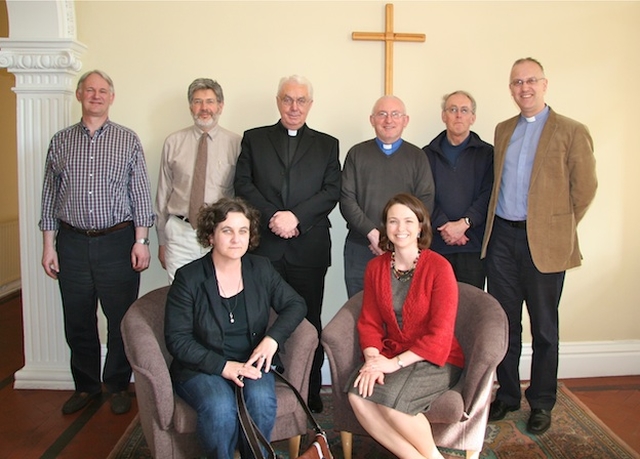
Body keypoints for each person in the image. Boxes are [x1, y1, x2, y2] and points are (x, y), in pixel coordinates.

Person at [482, 58, 597, 434]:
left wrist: (556, 227)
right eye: (517, 82)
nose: (524, 87)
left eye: (531, 80)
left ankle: (542, 402)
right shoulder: (502, 130)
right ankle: (509, 396)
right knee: (505, 325)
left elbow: (585, 189)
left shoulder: (571, 130)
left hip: (543, 244)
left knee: (545, 328)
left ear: (544, 84)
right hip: (501, 239)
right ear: (511, 88)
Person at [39, 70, 155, 415]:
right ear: (79, 95)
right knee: (77, 319)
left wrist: (142, 241)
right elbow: (49, 196)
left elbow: (140, 196)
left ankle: (117, 384)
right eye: (90, 90)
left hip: (118, 242)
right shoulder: (60, 141)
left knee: (120, 319)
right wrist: (49, 246)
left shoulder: (128, 140)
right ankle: (87, 387)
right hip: (71, 243)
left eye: (103, 90)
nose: (96, 95)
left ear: (112, 98)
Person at [165, 197, 306, 458]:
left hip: (251, 361)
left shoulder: (260, 268)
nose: (236, 239)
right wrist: (223, 367)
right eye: (226, 231)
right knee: (219, 408)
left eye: (243, 231)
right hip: (203, 367)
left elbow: (296, 304)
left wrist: (272, 339)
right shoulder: (189, 278)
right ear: (210, 236)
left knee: (262, 402)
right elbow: (178, 339)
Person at [234, 75, 341, 413]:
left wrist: (296, 218)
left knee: (310, 321)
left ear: (310, 104)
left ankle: (308, 393)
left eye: (301, 100)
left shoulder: (327, 144)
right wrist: (274, 217)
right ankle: (263, 389)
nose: (294, 107)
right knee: (260, 320)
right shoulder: (254, 138)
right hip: (265, 248)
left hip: (308, 249)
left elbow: (331, 191)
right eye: (287, 99)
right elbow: (243, 184)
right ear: (278, 101)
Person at [347, 193, 464, 459]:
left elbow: (441, 334)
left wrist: (394, 364)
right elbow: (369, 322)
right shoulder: (376, 268)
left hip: (437, 358)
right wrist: (373, 360)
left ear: (421, 226)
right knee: (357, 396)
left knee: (392, 405)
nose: (401, 229)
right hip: (391, 352)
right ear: (385, 227)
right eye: (393, 221)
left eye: (409, 221)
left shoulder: (439, 267)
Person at [340, 95, 435, 298]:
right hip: (361, 247)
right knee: (360, 311)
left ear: (405, 120)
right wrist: (372, 234)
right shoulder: (356, 154)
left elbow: (425, 201)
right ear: (372, 119)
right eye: (382, 114)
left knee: (402, 314)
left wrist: (397, 238)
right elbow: (347, 199)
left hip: (405, 249)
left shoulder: (418, 157)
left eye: (395, 114)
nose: (388, 120)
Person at [156, 78, 241, 281]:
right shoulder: (173, 142)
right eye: (197, 101)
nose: (204, 108)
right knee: (179, 295)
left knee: (218, 293)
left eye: (210, 101)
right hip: (179, 232)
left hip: (220, 233)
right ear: (190, 106)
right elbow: (162, 193)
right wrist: (161, 240)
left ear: (220, 105)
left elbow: (240, 194)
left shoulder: (237, 144)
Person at [423, 91, 494, 289]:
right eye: (452, 109)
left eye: (464, 110)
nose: (458, 115)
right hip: (436, 244)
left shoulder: (488, 154)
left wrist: (464, 224)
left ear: (473, 117)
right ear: (443, 116)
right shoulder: (426, 155)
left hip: (473, 245)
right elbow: (424, 195)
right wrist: (445, 225)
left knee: (470, 310)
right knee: (437, 309)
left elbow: (489, 194)